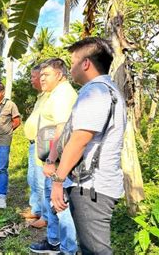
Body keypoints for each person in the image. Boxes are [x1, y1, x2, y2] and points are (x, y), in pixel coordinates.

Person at [51, 37, 126, 255]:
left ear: (86, 64)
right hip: (97, 185)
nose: (71, 68)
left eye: (73, 62)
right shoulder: (108, 90)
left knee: (95, 250)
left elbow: (79, 140)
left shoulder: (96, 92)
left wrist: (58, 181)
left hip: (92, 187)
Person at [30, 59, 78, 254]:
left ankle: (68, 249)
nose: (42, 78)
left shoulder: (63, 94)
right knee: (53, 202)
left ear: (59, 74)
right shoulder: (54, 93)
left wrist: (50, 160)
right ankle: (54, 241)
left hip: (59, 162)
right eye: (40, 75)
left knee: (61, 204)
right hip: (53, 159)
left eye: (46, 75)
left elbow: (61, 130)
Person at [21, 65, 48, 228]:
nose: (31, 80)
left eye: (33, 76)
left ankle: (45, 216)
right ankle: (36, 209)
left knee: (41, 181)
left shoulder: (51, 96)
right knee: (32, 178)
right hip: (33, 144)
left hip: (42, 144)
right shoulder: (41, 97)